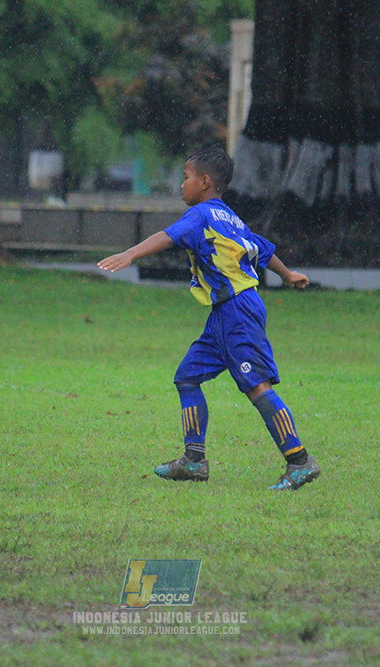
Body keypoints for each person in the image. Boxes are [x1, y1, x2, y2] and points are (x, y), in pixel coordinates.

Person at [98, 147, 318, 490]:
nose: (181, 185)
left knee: (256, 386)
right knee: (187, 377)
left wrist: (130, 253)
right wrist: (287, 275)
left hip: (238, 311)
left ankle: (300, 461)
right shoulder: (230, 217)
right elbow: (264, 248)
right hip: (224, 312)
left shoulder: (201, 215)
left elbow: (167, 236)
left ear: (204, 182)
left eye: (185, 178)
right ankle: (194, 461)